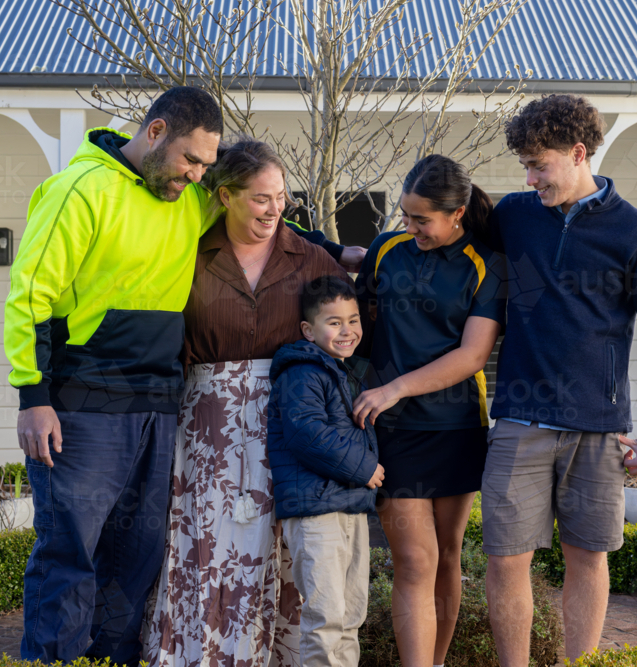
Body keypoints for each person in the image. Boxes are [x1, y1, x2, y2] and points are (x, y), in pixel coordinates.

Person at [6, 86, 225, 665]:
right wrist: (33, 398)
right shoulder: (77, 191)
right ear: (155, 133)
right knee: (69, 556)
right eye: (191, 160)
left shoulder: (187, 197)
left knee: (136, 560)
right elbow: (30, 297)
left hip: (157, 405)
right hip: (80, 409)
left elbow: (259, 205)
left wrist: (333, 254)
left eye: (206, 165)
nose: (198, 176)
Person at [482, 94, 637, 665]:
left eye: (538, 165)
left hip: (597, 428)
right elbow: (441, 233)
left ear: (578, 153)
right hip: (518, 420)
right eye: (524, 165)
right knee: (504, 559)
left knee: (589, 557)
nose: (529, 177)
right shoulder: (514, 216)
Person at [140, 140, 351, 667]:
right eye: (261, 198)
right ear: (226, 195)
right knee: (208, 546)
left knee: (278, 546)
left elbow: (351, 323)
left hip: (287, 424)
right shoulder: (188, 249)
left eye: (280, 197)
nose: (274, 208)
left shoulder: (309, 258)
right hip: (205, 428)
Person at [351, 155, 505, 667]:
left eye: (422, 219)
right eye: (404, 215)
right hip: (391, 428)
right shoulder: (386, 250)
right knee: (414, 560)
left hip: (456, 426)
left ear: (457, 213)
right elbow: (356, 332)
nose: (410, 228)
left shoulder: (485, 264)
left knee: (448, 556)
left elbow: (473, 355)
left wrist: (397, 386)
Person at [267, 275, 384, 667]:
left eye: (353, 320)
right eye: (334, 322)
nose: (347, 330)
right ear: (308, 330)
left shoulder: (341, 371)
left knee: (351, 615)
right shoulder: (302, 372)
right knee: (325, 618)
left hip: (348, 506)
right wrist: (366, 467)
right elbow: (306, 435)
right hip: (316, 512)